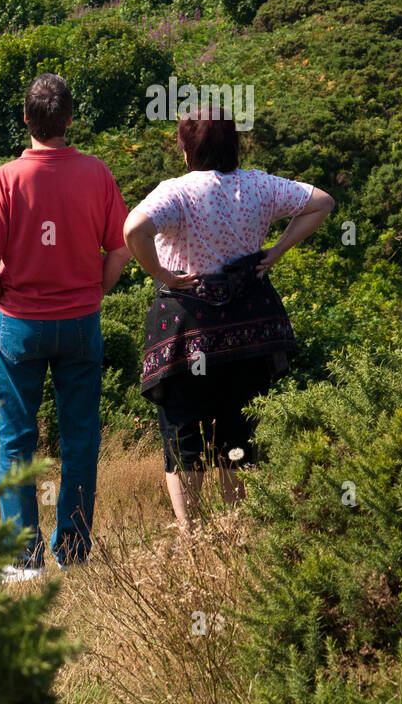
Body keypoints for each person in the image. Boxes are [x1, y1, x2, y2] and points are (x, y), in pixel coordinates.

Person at [123, 111, 334, 525]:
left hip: (187, 335)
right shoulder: (259, 185)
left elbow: (134, 229)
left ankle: (192, 539)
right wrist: (278, 250)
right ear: (235, 145)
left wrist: (162, 274)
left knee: (185, 439)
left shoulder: (176, 193)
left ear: (185, 150)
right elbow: (322, 203)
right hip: (248, 335)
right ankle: (238, 529)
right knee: (239, 435)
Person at [0, 73, 130, 582]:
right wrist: (96, 294)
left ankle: (23, 558)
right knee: (80, 439)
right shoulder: (98, 174)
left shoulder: (5, 179)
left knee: (16, 440)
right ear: (69, 120)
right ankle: (75, 550)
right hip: (81, 321)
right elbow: (121, 248)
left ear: (26, 119)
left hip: (21, 323)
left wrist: (4, 300)